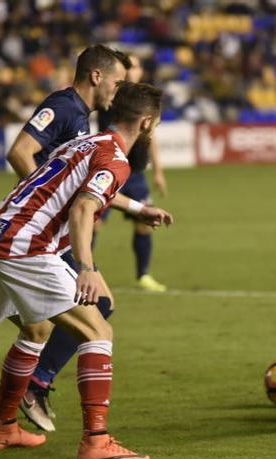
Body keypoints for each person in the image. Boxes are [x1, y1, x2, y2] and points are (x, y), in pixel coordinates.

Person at [0, 81, 172, 459]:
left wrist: (139, 209)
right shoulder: (116, 159)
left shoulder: (83, 143)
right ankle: (96, 440)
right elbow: (83, 208)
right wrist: (87, 267)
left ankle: (3, 428)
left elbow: (83, 187)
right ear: (146, 123)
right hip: (26, 247)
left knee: (37, 330)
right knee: (98, 329)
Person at [21, 54, 169, 432]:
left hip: (53, 228)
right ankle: (38, 386)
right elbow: (20, 152)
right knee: (95, 307)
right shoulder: (63, 106)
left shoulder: (85, 121)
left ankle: (15, 410)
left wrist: (138, 208)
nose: (119, 92)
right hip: (42, 232)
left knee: (53, 324)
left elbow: (80, 186)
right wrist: (42, 199)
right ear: (97, 76)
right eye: (118, 83)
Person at [98, 54, 170, 293]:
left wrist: (158, 171)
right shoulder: (112, 96)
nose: (133, 70)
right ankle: (79, 268)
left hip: (134, 174)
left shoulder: (143, 101)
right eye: (129, 66)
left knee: (144, 224)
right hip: (107, 166)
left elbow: (149, 136)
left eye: (136, 66)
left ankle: (143, 275)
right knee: (94, 222)